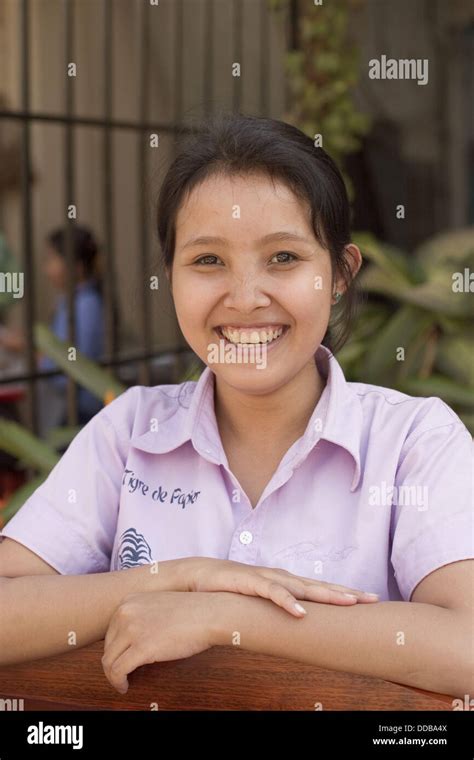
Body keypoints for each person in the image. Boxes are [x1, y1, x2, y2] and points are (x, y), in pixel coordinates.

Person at [0, 113, 472, 700]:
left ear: (340, 275)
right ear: (169, 276)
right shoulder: (129, 431)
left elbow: (466, 646)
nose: (246, 298)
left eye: (283, 258)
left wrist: (227, 616)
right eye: (207, 261)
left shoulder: (414, 442)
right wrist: (181, 579)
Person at [0, 224, 105, 428]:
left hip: (79, 414)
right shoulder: (71, 302)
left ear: (77, 266)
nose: (46, 269)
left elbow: (70, 371)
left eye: (51, 260)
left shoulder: (85, 306)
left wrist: (25, 347)